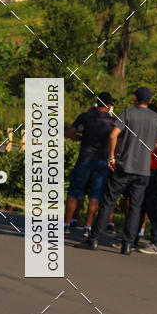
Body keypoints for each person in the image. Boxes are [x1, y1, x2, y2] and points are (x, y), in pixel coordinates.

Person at [87, 87, 157, 255]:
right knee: (136, 207)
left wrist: (111, 157)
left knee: (109, 202)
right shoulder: (156, 119)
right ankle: (127, 244)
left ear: (135, 98)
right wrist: (150, 145)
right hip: (144, 170)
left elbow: (113, 135)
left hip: (125, 166)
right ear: (150, 101)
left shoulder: (128, 113)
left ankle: (94, 239)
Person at [64, 92, 115, 239]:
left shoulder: (85, 117)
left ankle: (66, 224)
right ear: (110, 105)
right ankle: (88, 227)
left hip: (85, 158)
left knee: (74, 191)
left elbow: (69, 133)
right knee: (95, 195)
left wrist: (80, 138)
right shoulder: (112, 122)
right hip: (101, 161)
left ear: (96, 103)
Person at [135, 103, 157, 254]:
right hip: (146, 169)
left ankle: (156, 242)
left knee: (152, 206)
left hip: (156, 170)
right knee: (140, 205)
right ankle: (132, 239)